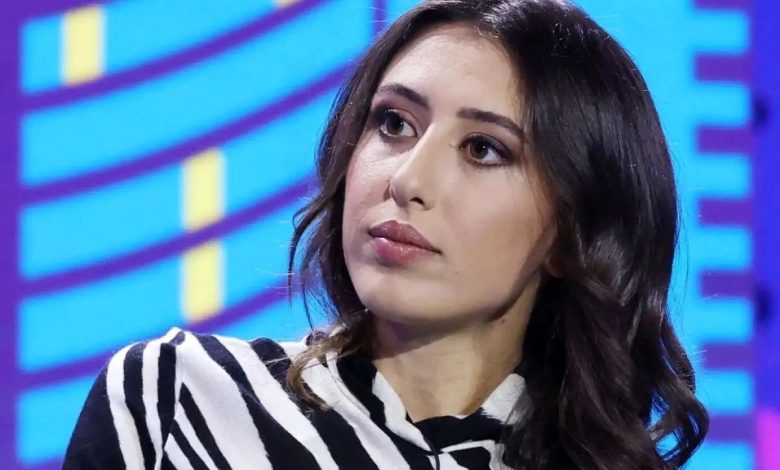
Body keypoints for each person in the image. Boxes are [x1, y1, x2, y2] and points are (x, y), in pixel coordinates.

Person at [62, 0, 709, 468]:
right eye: (394, 124)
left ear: (572, 232)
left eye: (483, 149)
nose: (407, 179)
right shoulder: (177, 401)